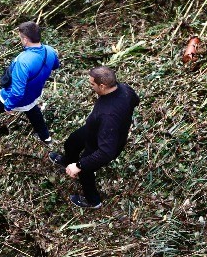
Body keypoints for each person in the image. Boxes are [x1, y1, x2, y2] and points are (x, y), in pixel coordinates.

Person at [49, 66, 140, 208]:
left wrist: (79, 166)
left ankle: (93, 201)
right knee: (72, 142)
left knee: (85, 171)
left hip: (103, 142)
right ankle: (68, 161)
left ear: (102, 86)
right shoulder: (125, 90)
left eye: (92, 84)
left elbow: (105, 152)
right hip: (95, 129)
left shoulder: (108, 115)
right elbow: (136, 100)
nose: (90, 86)